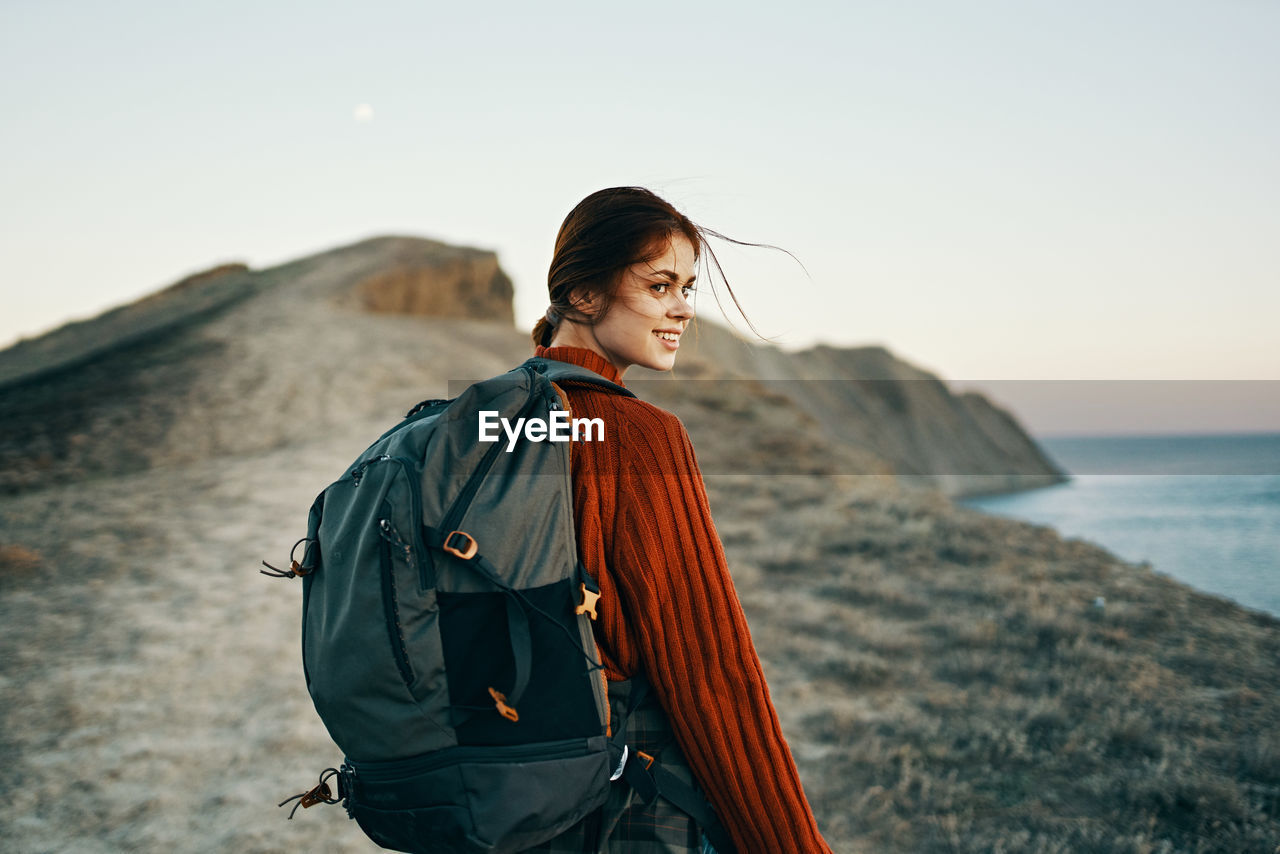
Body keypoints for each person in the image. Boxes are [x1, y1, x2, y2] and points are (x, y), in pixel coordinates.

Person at [525, 187, 832, 853]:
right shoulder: (638, 435)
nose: (683, 309)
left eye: (687, 288)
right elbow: (711, 673)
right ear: (582, 294)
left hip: (498, 803)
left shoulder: (483, 424)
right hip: (615, 814)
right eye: (660, 284)